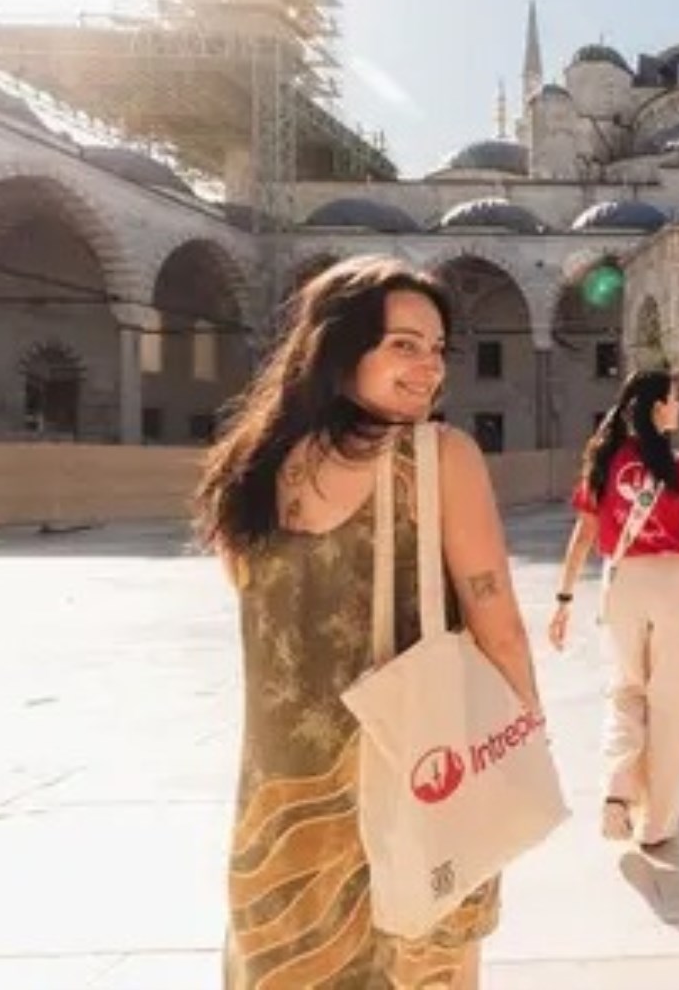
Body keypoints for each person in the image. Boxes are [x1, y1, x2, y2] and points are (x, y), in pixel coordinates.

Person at [195, 255, 542, 988]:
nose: (430, 368)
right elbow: (499, 626)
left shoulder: (248, 469)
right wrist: (522, 737)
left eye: (437, 348)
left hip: (282, 810)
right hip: (419, 787)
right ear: (340, 349)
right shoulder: (438, 457)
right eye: (403, 345)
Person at [549, 369, 679, 849]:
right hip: (674, 584)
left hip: (624, 583)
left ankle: (618, 790)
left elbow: (583, 537)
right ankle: (657, 822)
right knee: (669, 704)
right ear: (657, 407)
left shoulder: (604, 463)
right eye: (674, 399)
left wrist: (564, 599)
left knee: (625, 691)